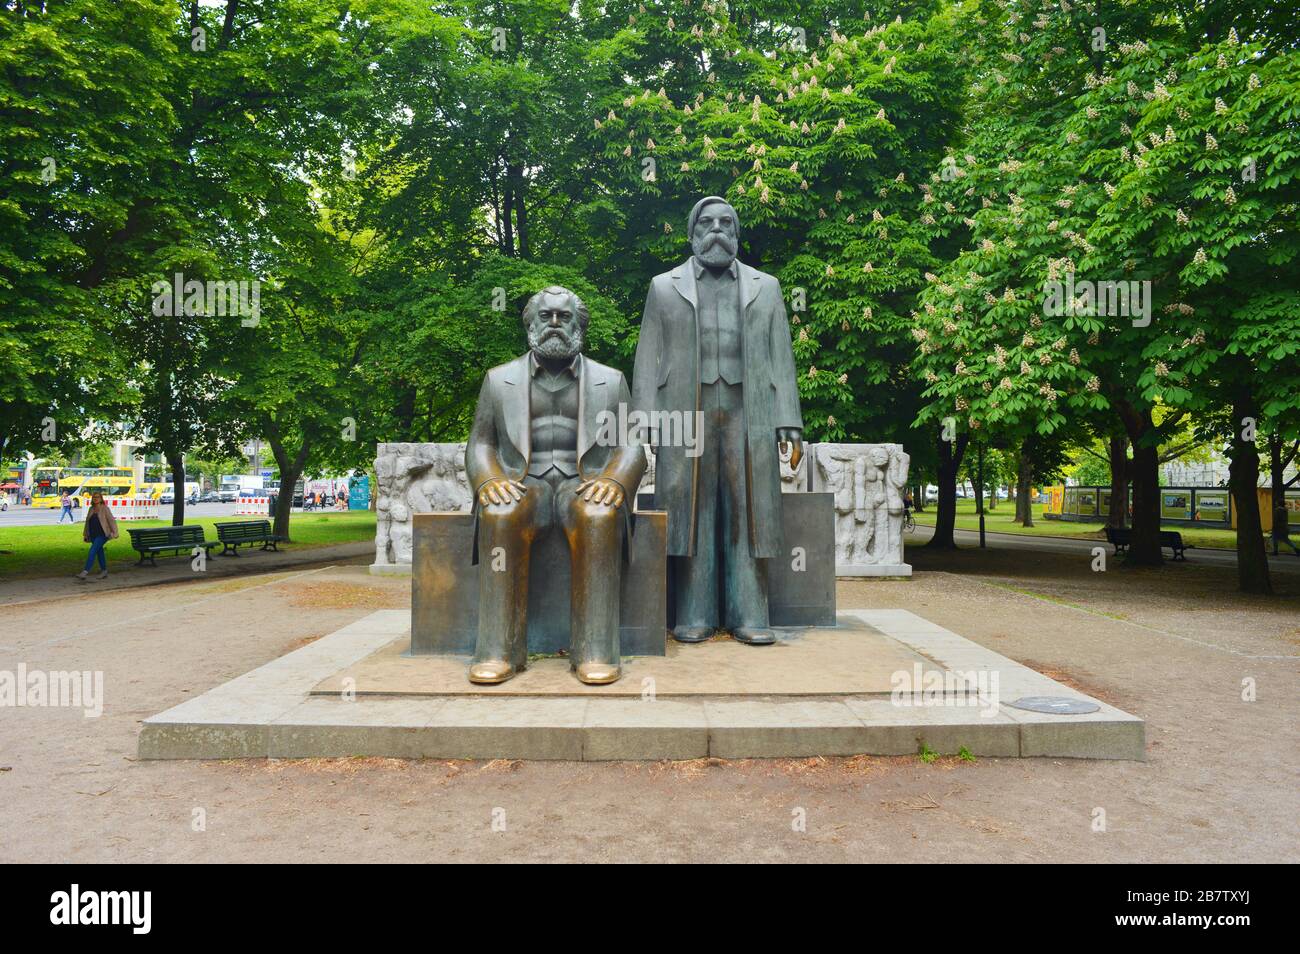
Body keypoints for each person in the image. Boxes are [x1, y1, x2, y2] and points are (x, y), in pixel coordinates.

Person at [631, 196, 803, 645]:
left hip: (752, 411)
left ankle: (750, 612)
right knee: (693, 508)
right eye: (706, 223)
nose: (717, 230)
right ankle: (695, 612)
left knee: (751, 510)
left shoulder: (767, 286)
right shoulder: (663, 287)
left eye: (727, 223)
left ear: (738, 233)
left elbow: (780, 354)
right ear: (691, 234)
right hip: (684, 412)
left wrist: (790, 421)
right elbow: (649, 352)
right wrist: (645, 418)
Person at [77, 491, 119, 581]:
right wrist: (86, 534)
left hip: (103, 534)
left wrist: (115, 532)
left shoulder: (105, 508)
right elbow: (87, 522)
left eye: (97, 497)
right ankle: (104, 571)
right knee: (99, 553)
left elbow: (111, 520)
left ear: (101, 499)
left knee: (92, 550)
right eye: (94, 497)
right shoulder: (91, 509)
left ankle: (85, 571)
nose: (95, 498)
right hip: (93, 534)